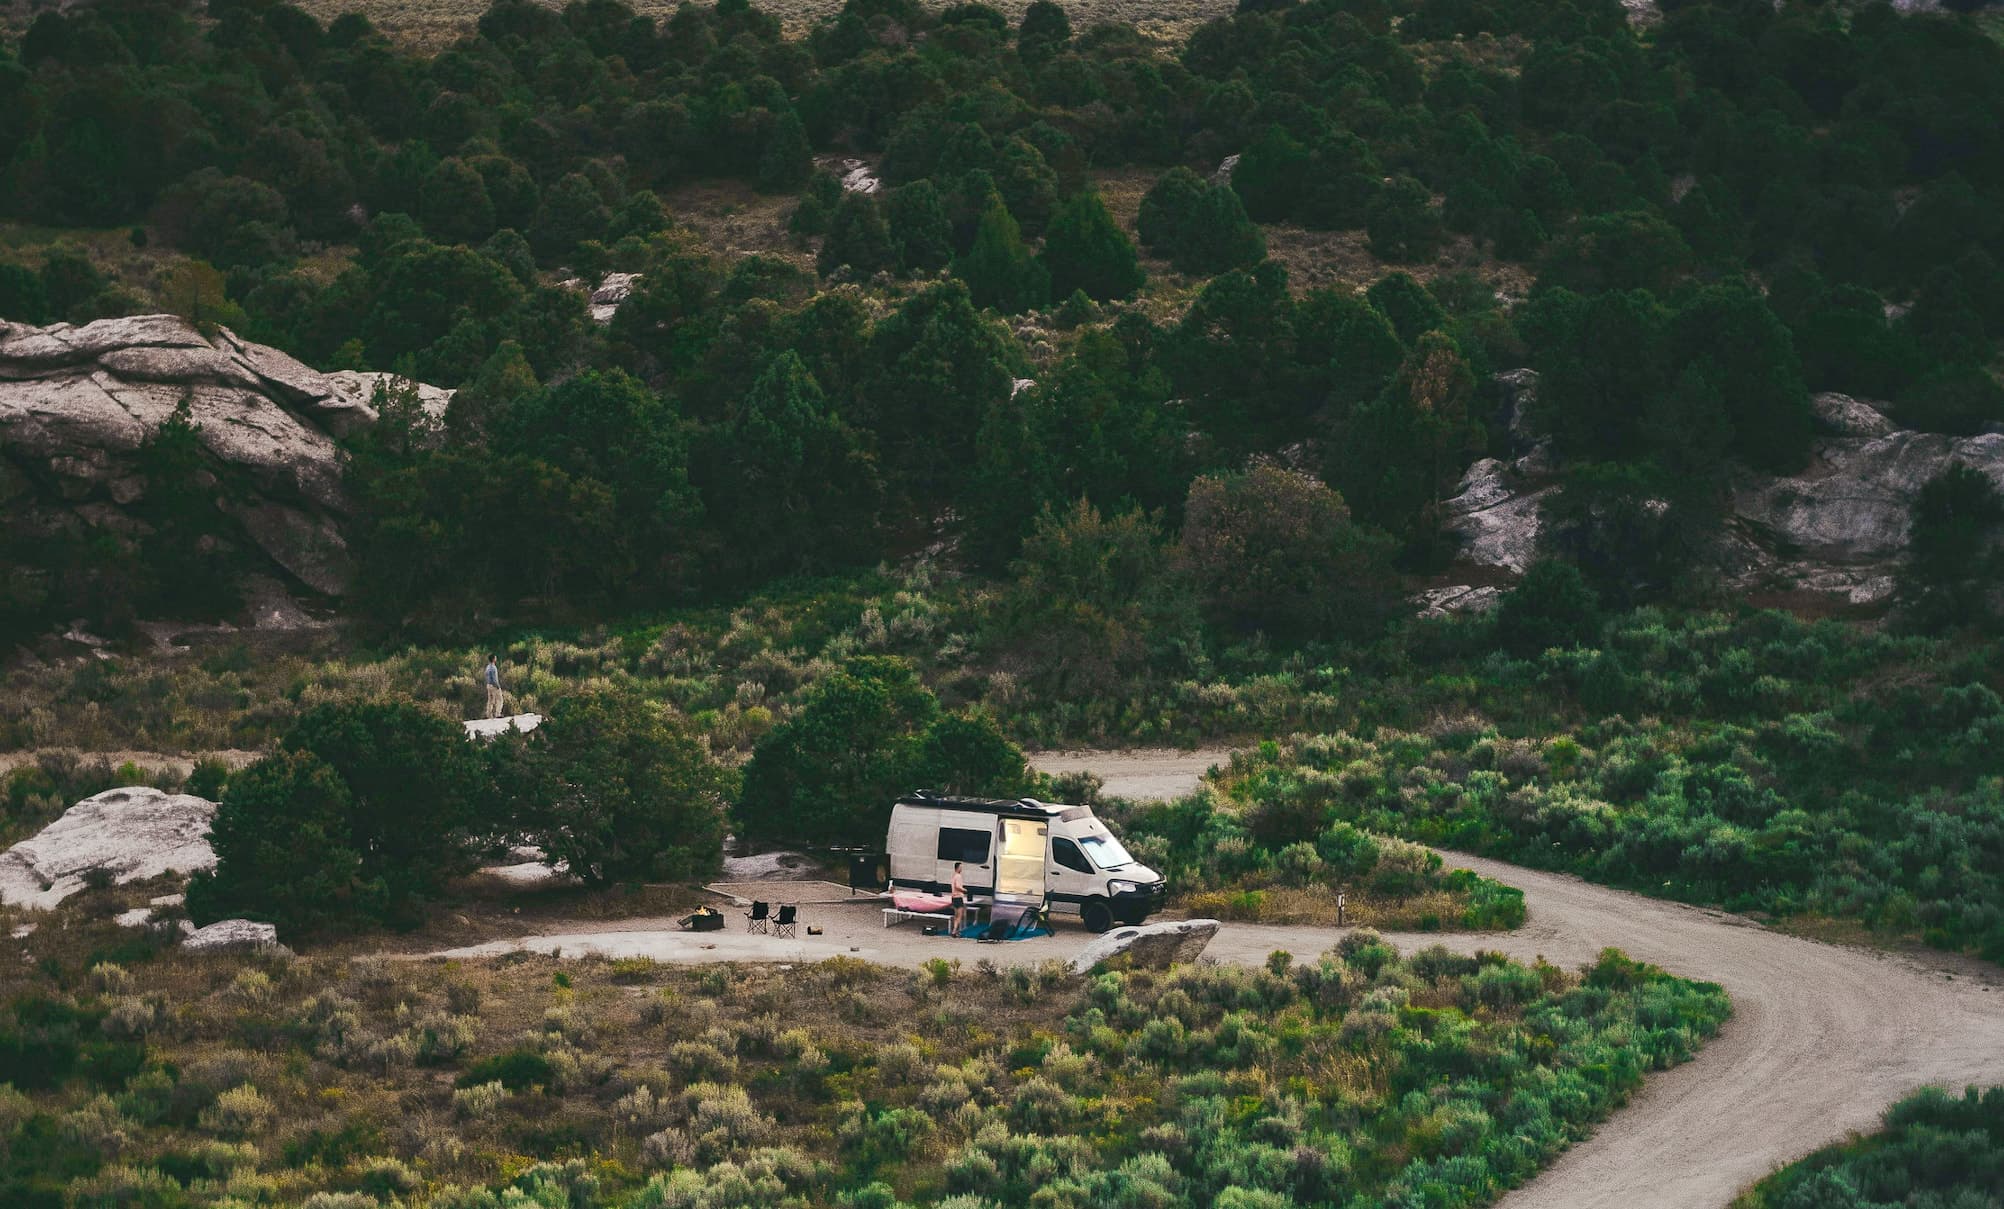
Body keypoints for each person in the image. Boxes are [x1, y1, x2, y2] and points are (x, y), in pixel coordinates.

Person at [483, 654, 504, 719]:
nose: (496, 658)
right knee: (499, 699)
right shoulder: (493, 667)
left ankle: (488, 714)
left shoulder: (487, 667)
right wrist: (498, 686)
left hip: (488, 685)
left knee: (490, 700)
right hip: (494, 685)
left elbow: (486, 675)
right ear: (493, 659)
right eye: (495, 657)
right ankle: (498, 713)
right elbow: (494, 678)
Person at [950, 861, 967, 938]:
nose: (961, 869)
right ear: (958, 868)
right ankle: (955, 930)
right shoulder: (958, 876)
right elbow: (957, 886)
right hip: (958, 897)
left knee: (956, 915)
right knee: (960, 916)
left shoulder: (953, 876)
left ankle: (954, 930)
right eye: (961, 867)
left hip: (953, 897)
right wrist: (964, 890)